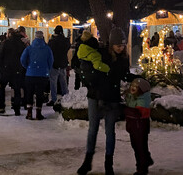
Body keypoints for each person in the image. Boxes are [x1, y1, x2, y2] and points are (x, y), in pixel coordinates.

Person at [76, 28, 129, 175]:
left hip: (112, 98)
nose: (121, 48)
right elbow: (96, 73)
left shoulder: (123, 58)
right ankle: (87, 162)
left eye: (123, 45)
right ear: (111, 44)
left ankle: (108, 164)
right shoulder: (101, 54)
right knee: (93, 129)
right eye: (118, 45)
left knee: (110, 131)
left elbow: (124, 75)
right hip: (96, 96)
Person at [20, 31, 53, 120]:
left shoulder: (29, 48)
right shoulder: (47, 49)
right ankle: (38, 113)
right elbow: (51, 61)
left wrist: (28, 67)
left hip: (30, 74)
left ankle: (29, 112)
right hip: (42, 75)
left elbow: (22, 59)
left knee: (29, 93)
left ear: (34, 37)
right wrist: (46, 69)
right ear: (43, 38)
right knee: (40, 93)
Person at [124, 78, 153, 175]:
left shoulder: (143, 99)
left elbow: (137, 113)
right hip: (133, 127)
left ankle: (141, 168)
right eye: (132, 85)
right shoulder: (131, 96)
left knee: (140, 147)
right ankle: (146, 159)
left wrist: (124, 110)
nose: (133, 88)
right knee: (137, 146)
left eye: (136, 87)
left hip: (140, 127)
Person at [0, 30, 26, 115]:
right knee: (17, 89)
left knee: (1, 89)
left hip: (5, 69)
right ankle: (17, 108)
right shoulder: (21, 44)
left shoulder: (5, 43)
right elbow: (24, 58)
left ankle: (1, 107)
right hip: (17, 70)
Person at [47, 25, 71, 106]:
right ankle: (66, 97)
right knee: (63, 82)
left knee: (53, 83)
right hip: (63, 63)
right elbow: (67, 47)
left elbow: (49, 50)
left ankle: (54, 99)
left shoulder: (52, 41)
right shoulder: (66, 41)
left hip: (54, 64)